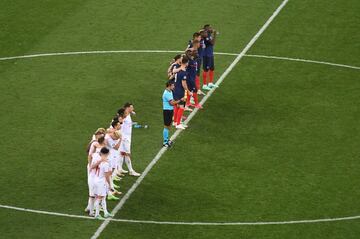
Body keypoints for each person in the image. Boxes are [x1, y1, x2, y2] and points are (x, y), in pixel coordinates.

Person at [92, 147, 114, 219]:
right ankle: (97, 214)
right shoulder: (106, 163)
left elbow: (92, 166)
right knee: (99, 198)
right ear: (107, 153)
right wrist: (110, 185)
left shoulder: (98, 159)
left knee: (103, 197)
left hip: (95, 180)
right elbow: (107, 176)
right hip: (101, 182)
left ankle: (105, 213)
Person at [120, 102, 141, 176]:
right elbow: (120, 120)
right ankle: (131, 171)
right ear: (127, 108)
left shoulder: (127, 113)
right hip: (125, 138)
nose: (133, 109)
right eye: (131, 107)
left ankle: (119, 168)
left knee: (122, 153)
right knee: (127, 154)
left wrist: (132, 123)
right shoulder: (124, 115)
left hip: (126, 136)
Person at [162, 80, 183, 147]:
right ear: (169, 86)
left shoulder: (170, 91)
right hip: (167, 111)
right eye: (173, 85)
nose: (174, 86)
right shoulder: (166, 93)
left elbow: (173, 101)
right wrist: (180, 101)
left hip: (170, 111)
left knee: (169, 125)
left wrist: (176, 104)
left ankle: (167, 139)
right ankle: (165, 142)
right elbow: (171, 103)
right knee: (166, 126)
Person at [173, 56, 190, 130]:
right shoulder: (183, 72)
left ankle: (175, 121)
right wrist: (188, 91)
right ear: (186, 63)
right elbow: (184, 84)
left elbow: (173, 71)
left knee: (177, 106)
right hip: (180, 91)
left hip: (175, 89)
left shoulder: (178, 68)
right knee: (181, 107)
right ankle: (178, 124)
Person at [202, 24, 218, 90]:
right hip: (206, 55)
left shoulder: (208, 35)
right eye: (210, 28)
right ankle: (204, 84)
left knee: (212, 68)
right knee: (206, 69)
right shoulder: (206, 37)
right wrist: (215, 34)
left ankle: (210, 83)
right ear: (206, 29)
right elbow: (212, 43)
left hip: (210, 54)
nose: (211, 28)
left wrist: (212, 34)